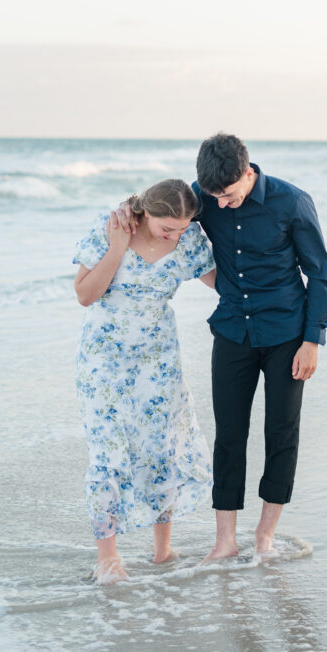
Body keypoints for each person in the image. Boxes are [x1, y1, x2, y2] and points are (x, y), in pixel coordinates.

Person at [116, 134, 327, 563]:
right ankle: (225, 541)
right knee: (229, 436)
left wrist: (313, 340)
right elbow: (163, 209)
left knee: (281, 433)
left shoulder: (292, 203)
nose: (223, 204)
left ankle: (265, 536)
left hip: (286, 333)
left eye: (230, 195)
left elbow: (320, 274)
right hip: (233, 329)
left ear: (248, 173)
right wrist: (129, 209)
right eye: (214, 196)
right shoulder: (204, 196)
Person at [73, 178, 216, 584]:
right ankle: (108, 559)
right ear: (146, 212)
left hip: (158, 356)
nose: (175, 235)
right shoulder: (112, 229)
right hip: (104, 359)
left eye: (182, 228)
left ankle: (163, 550)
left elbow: (223, 282)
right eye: (167, 228)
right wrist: (117, 250)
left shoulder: (188, 241)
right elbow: (85, 295)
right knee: (108, 452)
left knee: (161, 446)